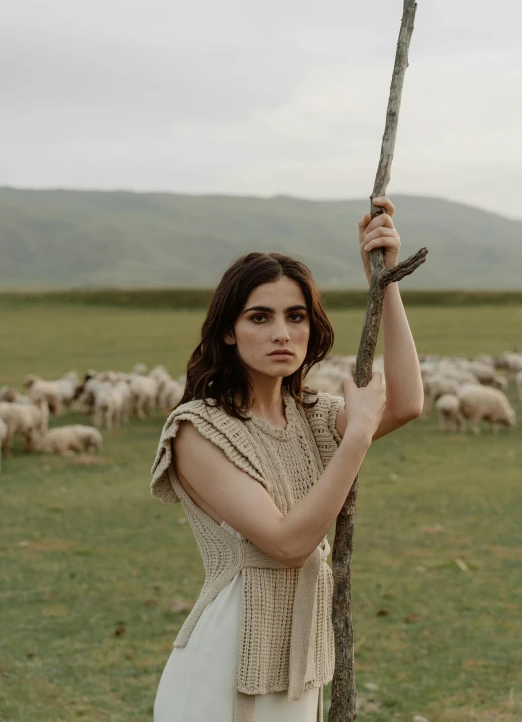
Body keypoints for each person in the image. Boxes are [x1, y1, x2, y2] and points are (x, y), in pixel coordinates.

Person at [150, 197, 424, 722]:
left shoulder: (310, 415)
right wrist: (357, 437)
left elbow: (408, 402)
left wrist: (385, 281)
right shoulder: (197, 429)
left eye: (295, 316)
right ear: (229, 331)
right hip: (227, 664)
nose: (282, 332)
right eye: (260, 317)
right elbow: (289, 544)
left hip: (303, 659)